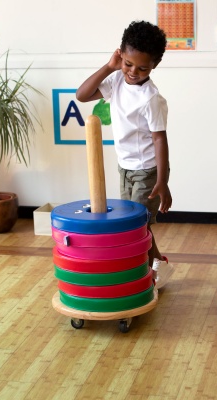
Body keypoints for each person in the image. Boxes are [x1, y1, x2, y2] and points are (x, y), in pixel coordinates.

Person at [76, 20, 173, 289]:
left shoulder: (150, 98)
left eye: (143, 68)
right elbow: (82, 95)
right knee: (135, 225)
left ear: (154, 66)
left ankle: (145, 273)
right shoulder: (117, 78)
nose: (133, 72)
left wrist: (162, 181)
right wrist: (110, 66)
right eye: (128, 63)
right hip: (125, 167)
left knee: (136, 227)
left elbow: (159, 139)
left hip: (148, 170)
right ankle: (156, 267)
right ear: (121, 54)